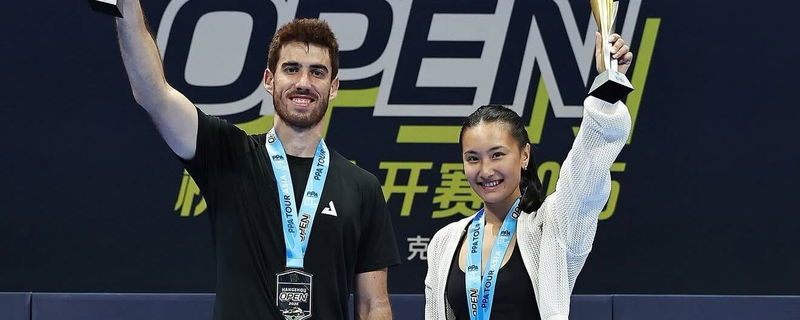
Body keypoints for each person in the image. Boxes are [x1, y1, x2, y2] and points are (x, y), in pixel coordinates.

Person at [113, 1, 401, 319]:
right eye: (291, 69)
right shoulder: (229, 155)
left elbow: (373, 304)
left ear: (333, 87)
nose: (303, 83)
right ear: (269, 79)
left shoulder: (362, 187)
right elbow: (154, 93)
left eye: (317, 72)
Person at [424, 32, 634, 320]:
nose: (485, 171)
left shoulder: (552, 226)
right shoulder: (444, 242)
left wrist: (608, 88)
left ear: (524, 155)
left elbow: (586, 171)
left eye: (497, 155)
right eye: (473, 158)